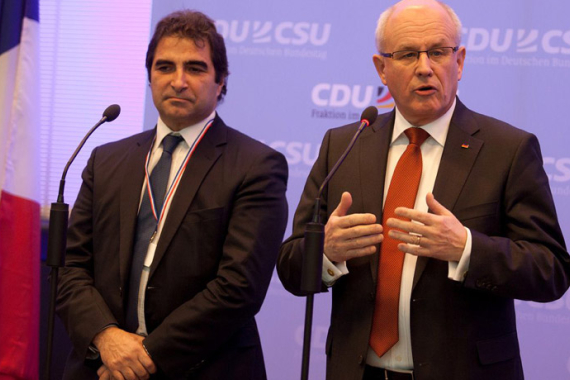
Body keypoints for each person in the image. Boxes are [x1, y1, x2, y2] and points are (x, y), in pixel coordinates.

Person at [277, 0, 570, 379]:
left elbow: (551, 269)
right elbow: (290, 266)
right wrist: (326, 252)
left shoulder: (507, 150)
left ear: (459, 61)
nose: (425, 67)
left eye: (438, 52)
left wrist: (466, 248)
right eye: (407, 54)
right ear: (382, 68)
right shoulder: (344, 145)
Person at [56, 10, 288, 380]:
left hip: (202, 368)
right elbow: (69, 269)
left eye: (195, 68)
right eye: (165, 67)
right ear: (149, 76)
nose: (178, 81)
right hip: (101, 365)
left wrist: (141, 357)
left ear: (221, 81)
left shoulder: (256, 166)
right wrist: (107, 339)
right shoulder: (106, 159)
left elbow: (238, 289)